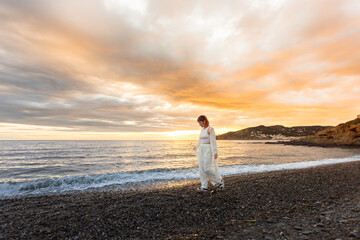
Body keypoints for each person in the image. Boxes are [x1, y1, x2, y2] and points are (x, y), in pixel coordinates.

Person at [193, 115, 224, 192]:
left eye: (200, 122)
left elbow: (213, 141)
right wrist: (196, 147)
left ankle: (219, 180)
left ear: (204, 121)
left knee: (207, 168)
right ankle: (204, 186)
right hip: (202, 149)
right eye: (199, 123)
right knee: (201, 169)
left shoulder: (210, 129)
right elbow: (200, 140)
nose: (199, 124)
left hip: (208, 149)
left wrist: (215, 152)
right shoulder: (202, 130)